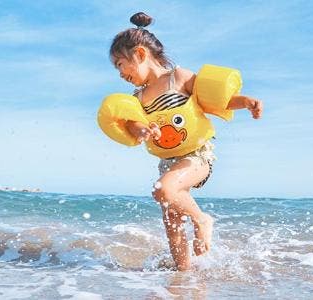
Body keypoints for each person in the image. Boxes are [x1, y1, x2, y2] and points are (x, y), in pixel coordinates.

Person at [108, 12, 263, 271]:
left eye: (120, 64)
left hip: (197, 156)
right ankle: (183, 277)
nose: (120, 73)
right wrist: (143, 130)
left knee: (162, 190)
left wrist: (245, 102)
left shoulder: (178, 77)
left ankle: (203, 221)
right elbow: (134, 124)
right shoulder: (138, 96)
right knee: (172, 221)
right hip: (168, 162)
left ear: (140, 54)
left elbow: (214, 100)